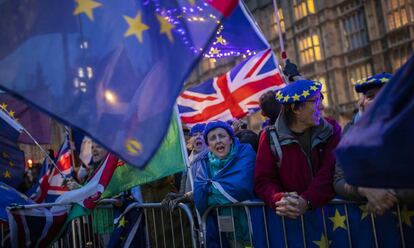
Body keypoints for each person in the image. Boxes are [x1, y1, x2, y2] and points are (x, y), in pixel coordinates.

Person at [255, 79, 341, 218]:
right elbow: (263, 181)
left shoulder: (331, 130)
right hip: (291, 221)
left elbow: (329, 172)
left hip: (332, 217)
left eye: (321, 99)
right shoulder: (270, 137)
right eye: (316, 101)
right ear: (296, 108)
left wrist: (306, 201)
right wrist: (280, 199)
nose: (322, 107)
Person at [334, 72, 414, 214]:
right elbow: (339, 179)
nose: (377, 101)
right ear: (362, 103)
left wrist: (385, 193)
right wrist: (364, 189)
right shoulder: (351, 131)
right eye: (371, 97)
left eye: (384, 95)